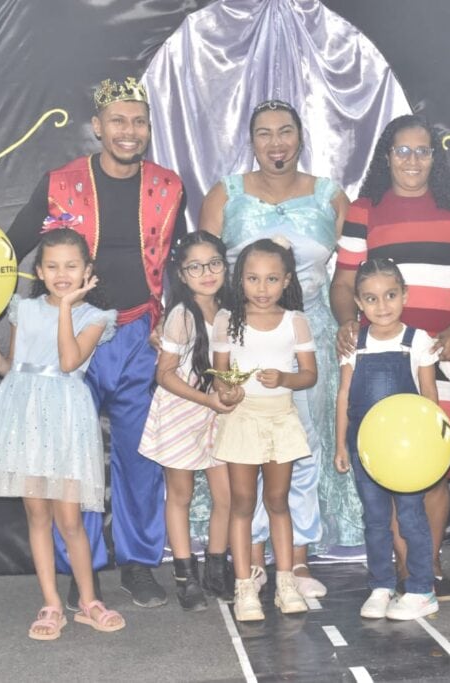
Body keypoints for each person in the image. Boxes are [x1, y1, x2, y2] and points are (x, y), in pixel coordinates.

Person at [0, 77, 184, 609]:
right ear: (98, 127)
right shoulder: (60, 182)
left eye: (139, 121)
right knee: (68, 460)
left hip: (138, 334)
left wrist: (175, 325)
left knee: (140, 456)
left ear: (148, 129)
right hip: (70, 333)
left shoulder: (169, 185)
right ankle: (79, 569)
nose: (129, 131)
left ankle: (138, 562)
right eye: (118, 120)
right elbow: (7, 250)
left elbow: (176, 263)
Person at [199, 99, 353, 598]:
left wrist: (351, 324)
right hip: (243, 339)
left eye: (285, 131)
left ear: (301, 137)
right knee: (247, 445)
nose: (276, 143)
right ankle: (254, 559)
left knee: (300, 446)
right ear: (252, 141)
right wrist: (201, 333)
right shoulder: (226, 194)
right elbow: (205, 272)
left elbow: (348, 274)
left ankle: (298, 560)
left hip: (309, 338)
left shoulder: (330, 196)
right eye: (264, 133)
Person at [331, 114, 450, 600]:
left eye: (423, 151)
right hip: (382, 356)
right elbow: (343, 283)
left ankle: (428, 564)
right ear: (387, 156)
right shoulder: (364, 210)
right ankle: (402, 570)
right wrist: (348, 323)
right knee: (389, 461)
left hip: (440, 355)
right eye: (403, 150)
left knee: (431, 465)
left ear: (435, 158)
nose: (413, 160)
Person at [0, 228, 124, 639]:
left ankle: (89, 601)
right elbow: (16, 367)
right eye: (52, 266)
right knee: (37, 515)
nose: (62, 274)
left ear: (88, 270)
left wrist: (67, 307)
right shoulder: (25, 309)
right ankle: (51, 603)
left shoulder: (96, 317)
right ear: (38, 271)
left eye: (71, 266)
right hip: (25, 419)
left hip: (66, 420)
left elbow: (69, 362)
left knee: (70, 520)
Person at [210, 238, 317, 622]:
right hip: (242, 419)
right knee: (241, 503)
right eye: (253, 278)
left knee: (277, 500)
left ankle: (285, 583)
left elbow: (309, 375)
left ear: (286, 281)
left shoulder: (295, 321)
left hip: (281, 418)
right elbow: (220, 373)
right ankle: (244, 587)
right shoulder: (227, 319)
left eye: (272, 279)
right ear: (240, 279)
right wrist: (228, 389)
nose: (262, 288)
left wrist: (285, 378)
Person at [334, 259, 441, 621]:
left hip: (409, 452)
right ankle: (381, 585)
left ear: (405, 295)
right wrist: (340, 444)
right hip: (365, 449)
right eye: (371, 298)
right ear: (359, 303)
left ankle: (422, 589)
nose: (382, 306)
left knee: (411, 517)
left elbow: (429, 396)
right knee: (375, 519)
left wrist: (431, 446)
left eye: (390, 295)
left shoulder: (418, 340)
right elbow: (344, 395)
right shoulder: (355, 343)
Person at [139, 232, 234, 610]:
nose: (207, 273)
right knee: (180, 494)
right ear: (181, 274)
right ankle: (185, 576)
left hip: (216, 413)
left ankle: (216, 569)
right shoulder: (180, 315)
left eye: (214, 263)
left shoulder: (228, 311)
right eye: (195, 267)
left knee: (227, 496)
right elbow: (164, 374)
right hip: (181, 410)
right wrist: (206, 399)